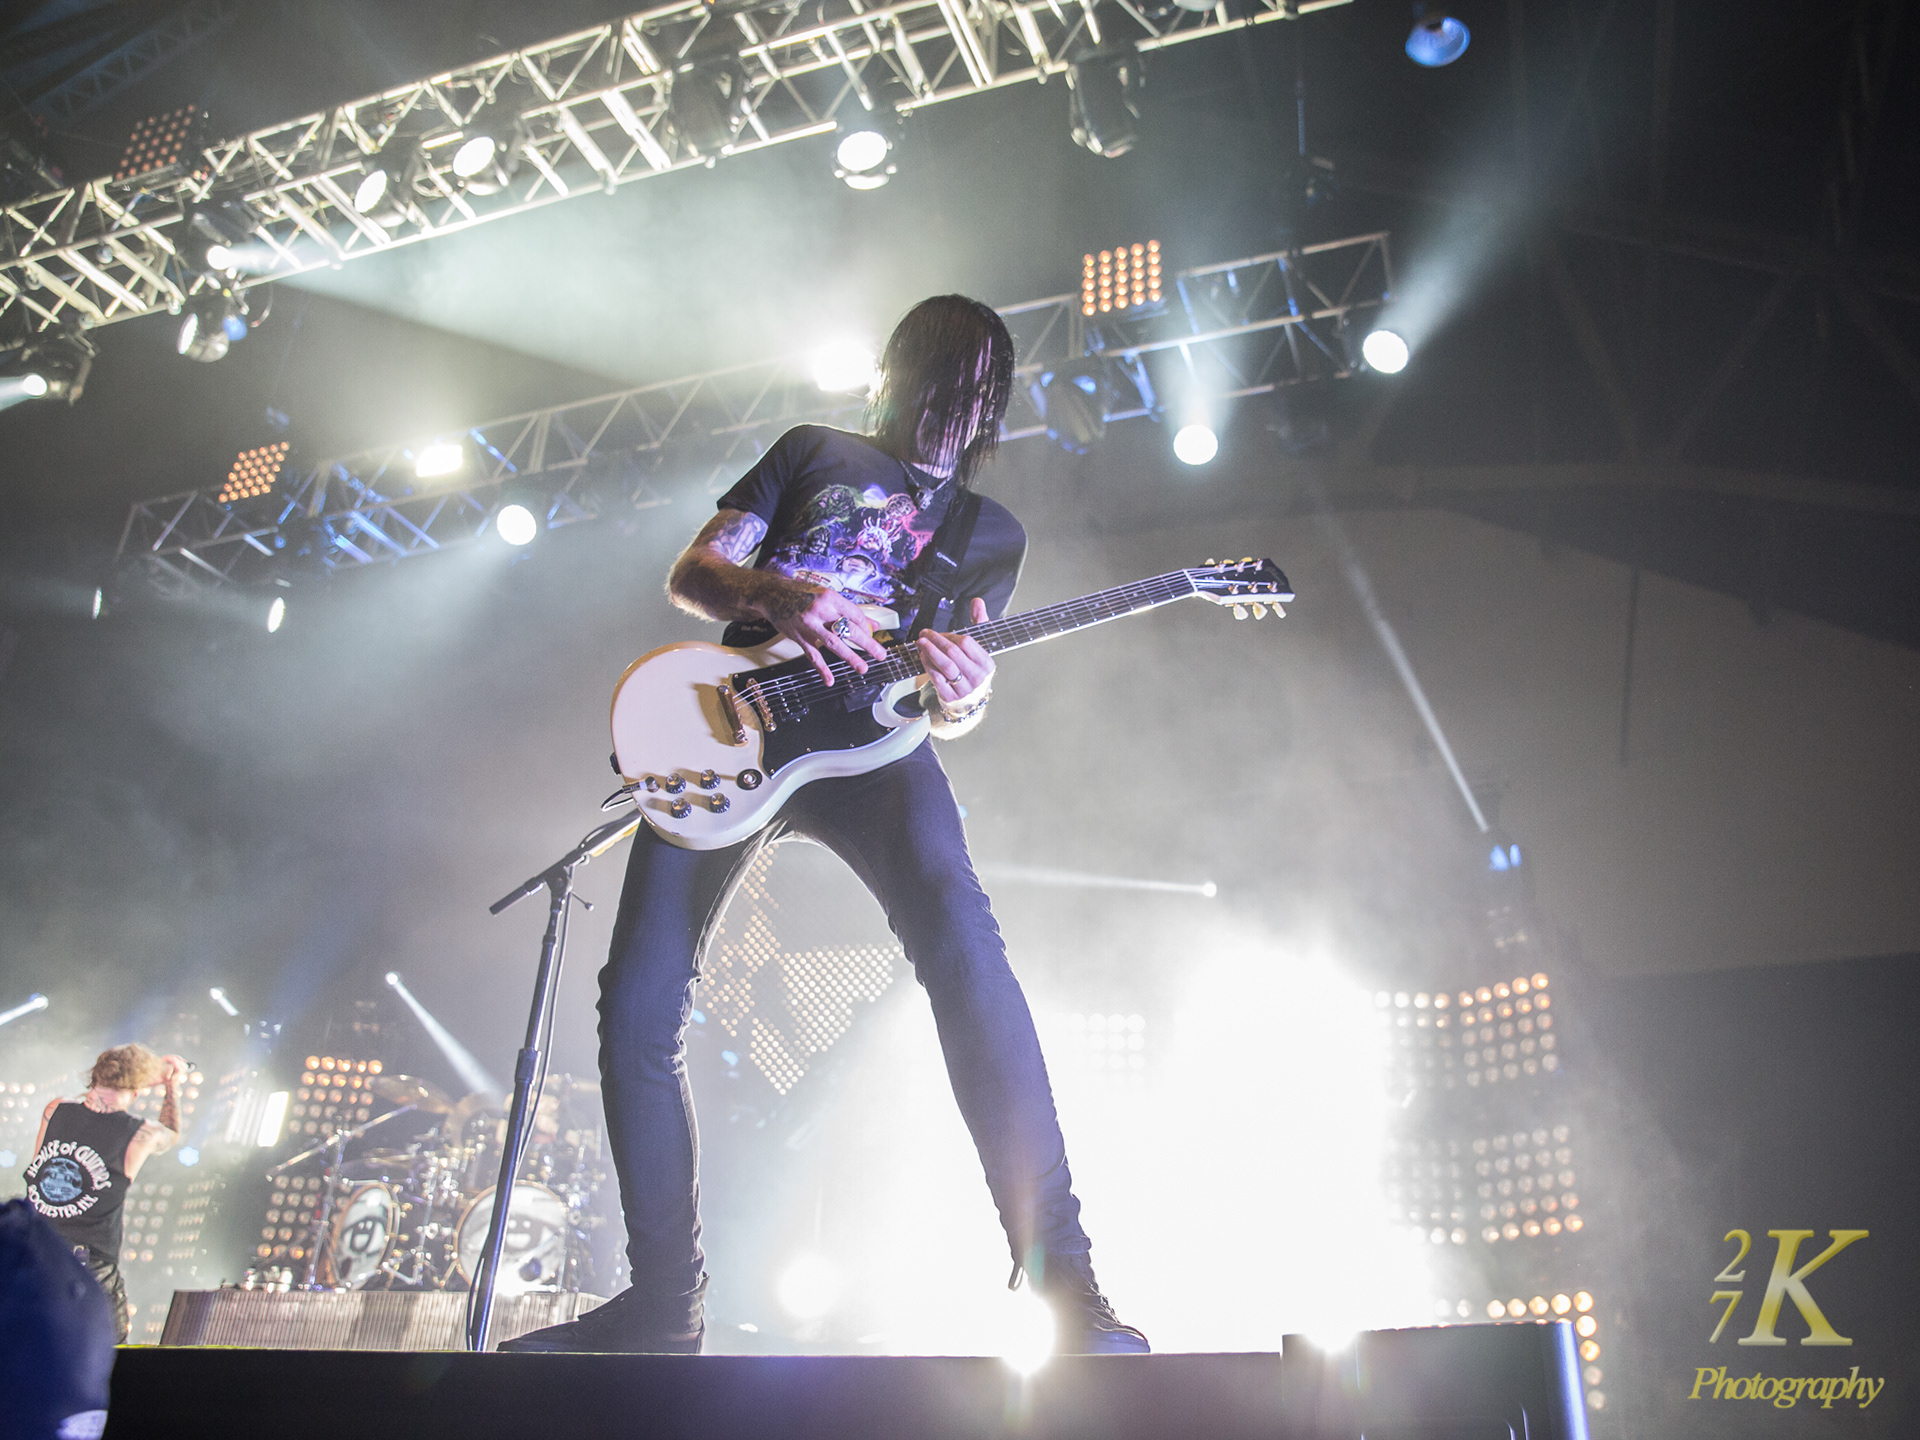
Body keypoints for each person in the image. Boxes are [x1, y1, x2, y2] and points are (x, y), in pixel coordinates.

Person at [505, 295, 1148, 1356]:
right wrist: (780, 595)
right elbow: (694, 574)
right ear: (901, 376)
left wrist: (966, 693)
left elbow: (953, 693)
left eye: (977, 394)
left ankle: (1066, 1288)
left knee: (968, 951)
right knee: (639, 1002)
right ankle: (663, 1308)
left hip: (874, 754)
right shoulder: (814, 452)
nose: (953, 411)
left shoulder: (991, 534)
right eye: (939, 382)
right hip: (734, 727)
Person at [24, 1043, 185, 1343]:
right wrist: (170, 1084)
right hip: (88, 1266)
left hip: (32, 1252)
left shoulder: (56, 1110)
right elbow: (171, 1134)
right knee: (108, 1353)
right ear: (137, 1089)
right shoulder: (140, 1133)